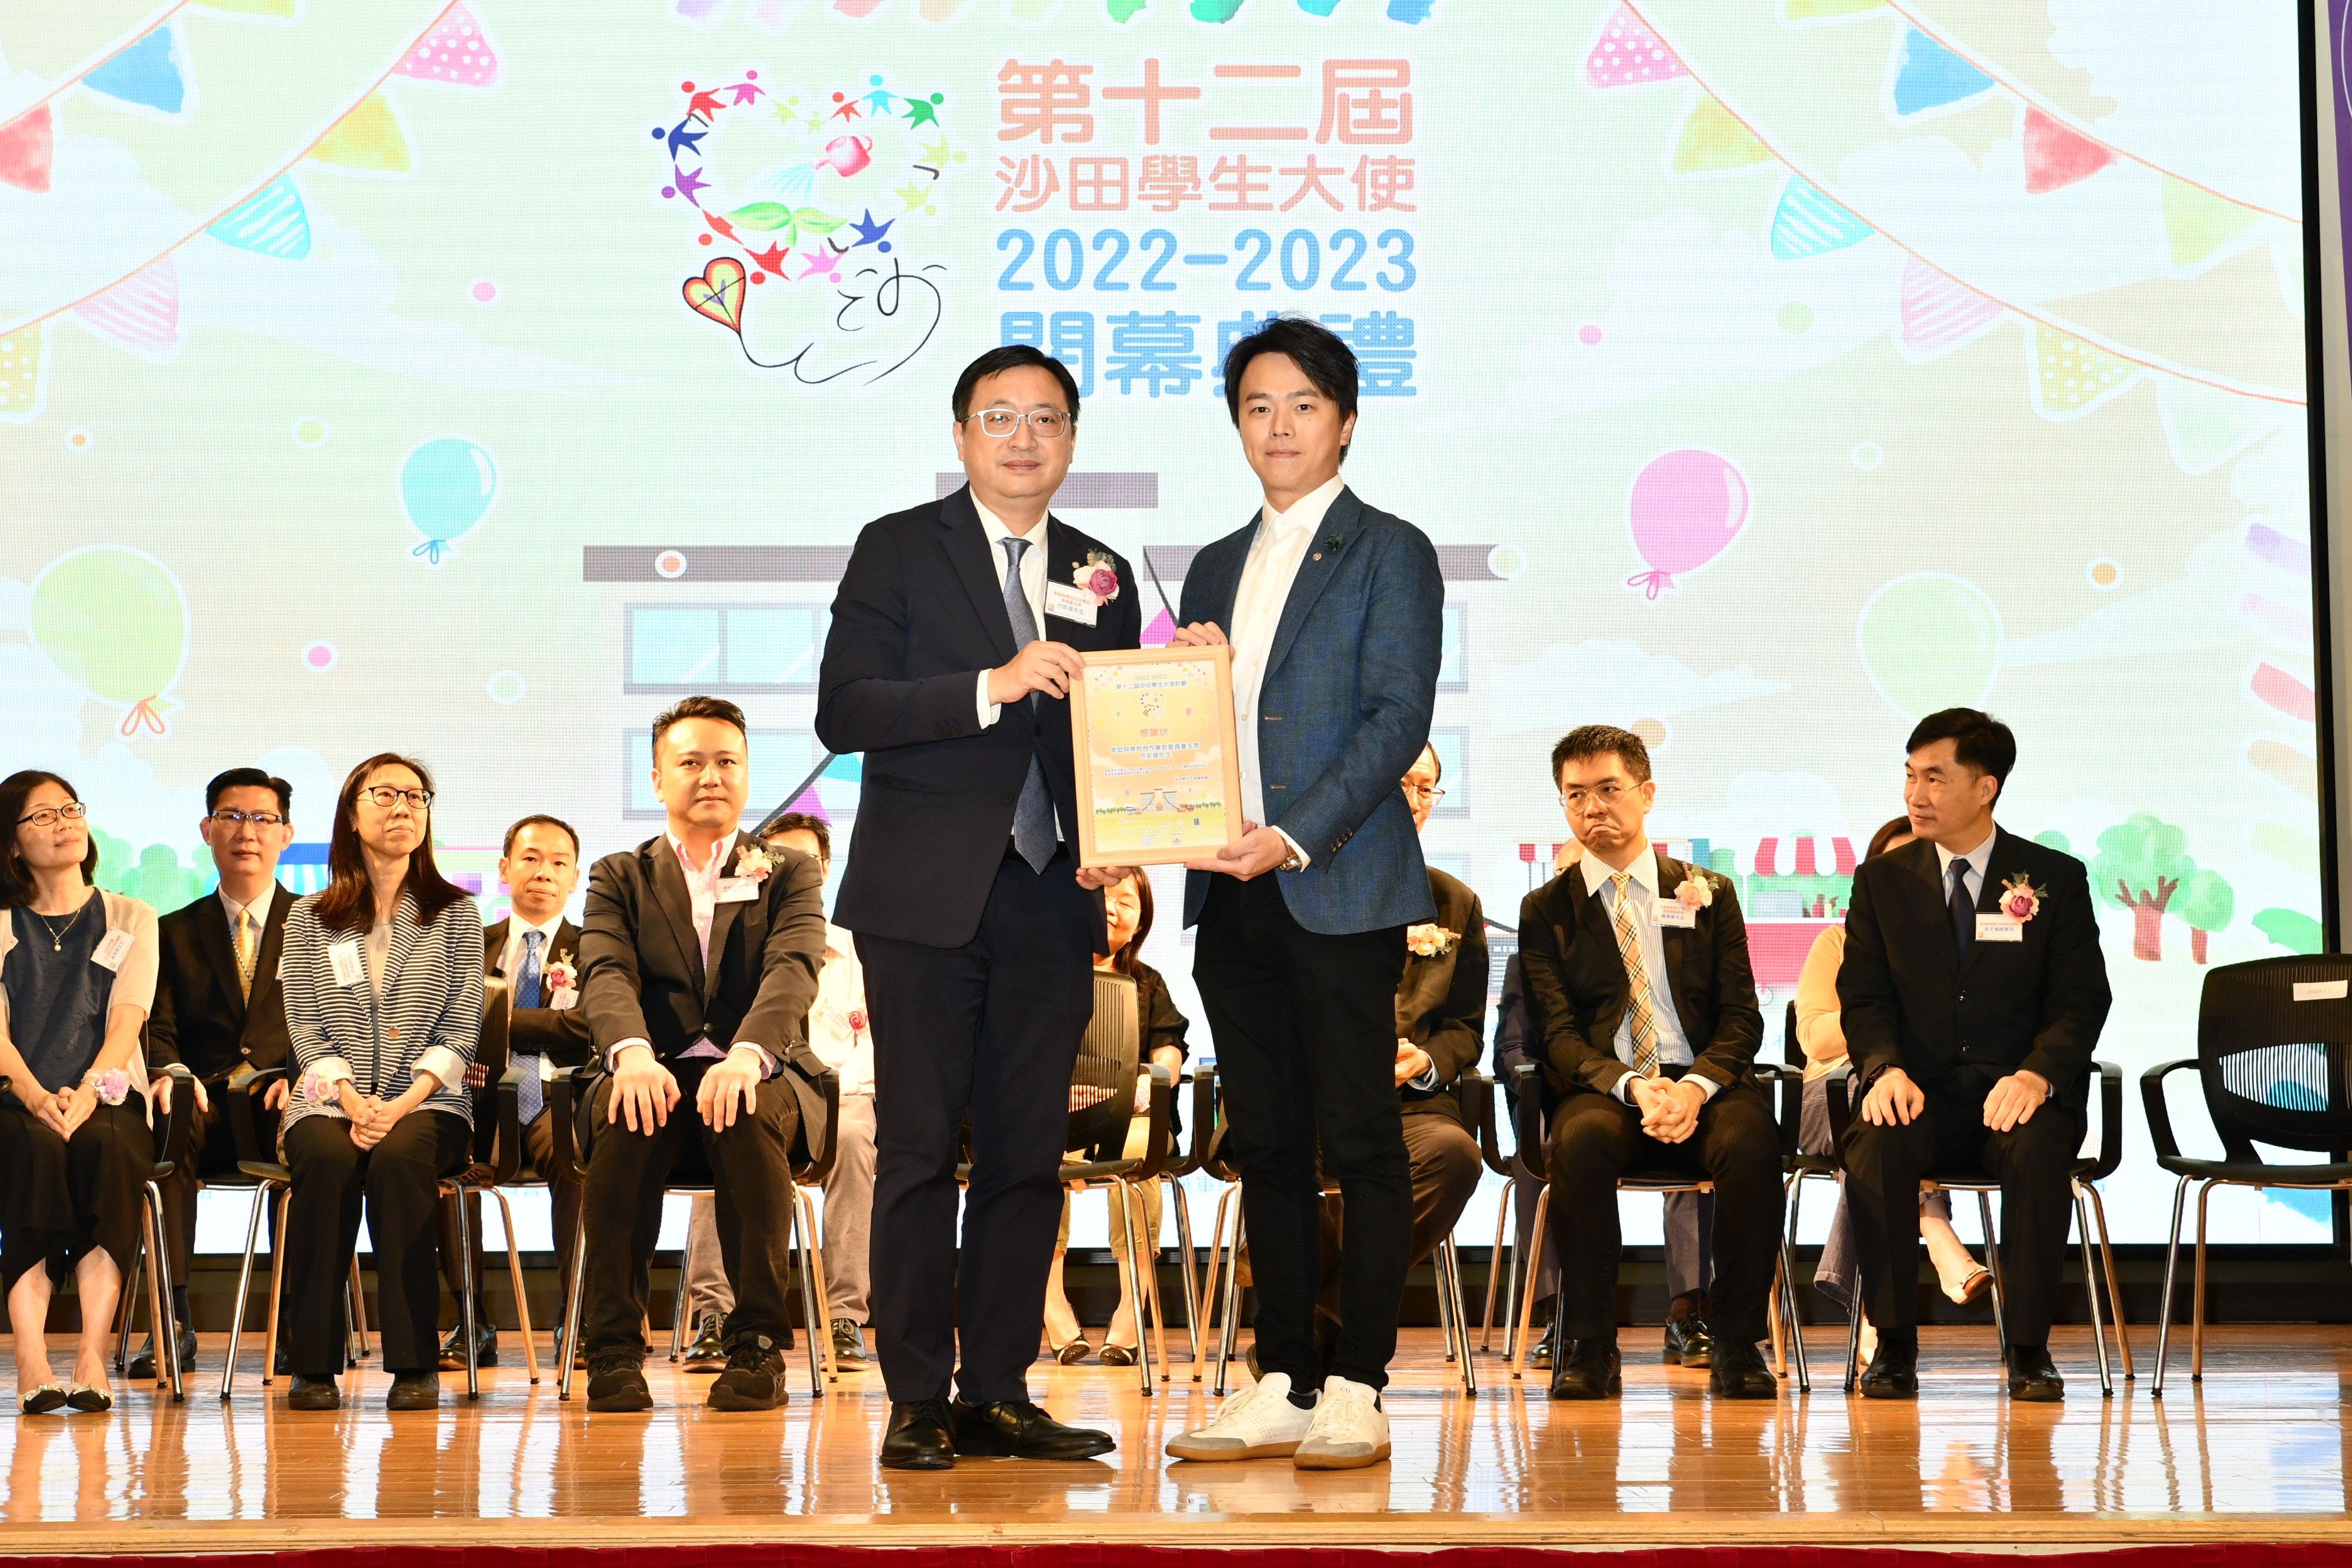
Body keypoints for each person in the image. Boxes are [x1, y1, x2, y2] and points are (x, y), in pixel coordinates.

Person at [817, 344, 1139, 1470]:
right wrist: (988, 688)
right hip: (923, 897)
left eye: (1046, 418)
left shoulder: (1101, 570)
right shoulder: (899, 547)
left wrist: (1120, 830)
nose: (1022, 437)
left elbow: (1116, 734)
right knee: (915, 1149)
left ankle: (998, 1390)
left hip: (1053, 896)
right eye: (999, 417)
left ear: (1072, 440)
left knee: (1025, 1156)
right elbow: (846, 709)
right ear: (960, 436)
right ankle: (915, 1396)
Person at [1164, 316, 1444, 1471]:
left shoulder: (1391, 550)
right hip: (1228, 891)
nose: (1279, 425)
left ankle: (1359, 1382)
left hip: (1335, 882)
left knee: (1362, 1140)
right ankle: (1283, 1375)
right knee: (1268, 1144)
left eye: (1303, 404)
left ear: (1346, 421)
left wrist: (1291, 834)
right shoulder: (1213, 564)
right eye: (1257, 406)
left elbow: (1396, 718)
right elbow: (1201, 726)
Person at [1838, 709, 2110, 1402]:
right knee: (1874, 1143)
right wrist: (1882, 1067)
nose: (1916, 794)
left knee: (2039, 1146)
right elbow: (1863, 997)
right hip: (1918, 1091)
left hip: (2012, 1093)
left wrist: (2039, 1073)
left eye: (1935, 778)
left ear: (1985, 787)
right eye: (1910, 776)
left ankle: (2029, 1350)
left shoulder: (2052, 877)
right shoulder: (1881, 881)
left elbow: (2082, 1000)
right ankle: (1892, 1345)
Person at [574, 696, 830, 1414]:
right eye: (691, 762)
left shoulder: (788, 871)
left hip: (760, 1075)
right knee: (628, 1110)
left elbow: (792, 969)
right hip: (653, 1069)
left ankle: (756, 1345)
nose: (711, 776)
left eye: (726, 762)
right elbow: (606, 971)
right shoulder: (619, 874)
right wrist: (630, 1054)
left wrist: (747, 1055)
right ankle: (614, 1349)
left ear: (746, 775)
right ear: (658, 778)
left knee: (741, 1107)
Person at [1517, 725, 1784, 1402]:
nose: (1593, 808)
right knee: (1578, 1141)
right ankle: (1588, 1346)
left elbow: (1741, 1018)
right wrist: (1635, 1087)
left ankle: (1736, 1343)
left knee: (1752, 1141)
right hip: (1607, 1089)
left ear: (1647, 793)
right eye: (1575, 795)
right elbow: (1558, 1035)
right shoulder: (1546, 909)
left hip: (1703, 1083)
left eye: (1609, 789)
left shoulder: (1708, 891)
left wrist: (1692, 1090)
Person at [276, 754, 484, 1413]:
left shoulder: (457, 914)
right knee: (326, 1158)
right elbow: (305, 1028)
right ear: (351, 812)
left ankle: (415, 1362)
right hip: (329, 1098)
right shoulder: (309, 917)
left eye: (416, 797)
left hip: (429, 1100)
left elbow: (462, 1029)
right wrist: (350, 1100)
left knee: (399, 1159)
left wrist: (397, 1106)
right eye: (386, 794)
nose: (403, 808)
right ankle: (312, 1364)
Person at [676, 812, 879, 1374]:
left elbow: (877, 1043)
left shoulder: (860, 951)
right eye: (778, 861)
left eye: (805, 862)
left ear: (825, 871)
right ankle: (715, 1314)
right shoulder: (734, 949)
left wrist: (842, 1092)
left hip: (839, 1095)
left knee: (854, 1140)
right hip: (756, 1088)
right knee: (721, 1117)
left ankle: (844, 1316)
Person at [1794, 814, 1988, 1367]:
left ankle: (1873, 1314)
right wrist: (1882, 1013)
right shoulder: (1837, 942)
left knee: (1879, 1143)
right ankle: (1935, 1227)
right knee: (1875, 1093)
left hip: (1911, 1112)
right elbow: (1814, 1037)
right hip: (1829, 1094)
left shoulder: (1967, 949)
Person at [0, 772, 161, 1415]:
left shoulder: (131, 916)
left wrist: (91, 1089)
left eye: (70, 810)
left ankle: (93, 1355)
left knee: (109, 1154)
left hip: (108, 1095)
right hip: (16, 1097)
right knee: (33, 1154)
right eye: (42, 816)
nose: (64, 823)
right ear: (12, 844)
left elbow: (128, 1017)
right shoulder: (2, 924)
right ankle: (32, 1359)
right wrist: (36, 1096)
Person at [141, 766, 297, 1380]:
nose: (246, 832)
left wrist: (306, 1074)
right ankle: (172, 1321)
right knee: (168, 1119)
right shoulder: (171, 931)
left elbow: (338, 1020)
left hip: (280, 1099)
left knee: (314, 1132)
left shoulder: (319, 927)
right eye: (231, 817)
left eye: (262, 819)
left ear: (286, 834)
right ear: (207, 829)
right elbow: (156, 1026)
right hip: (204, 1104)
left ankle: (299, 1323)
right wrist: (171, 1073)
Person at [433, 813, 594, 1372]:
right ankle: (470, 1320)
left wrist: (499, 1017)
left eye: (558, 862)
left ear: (575, 877)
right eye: (530, 859)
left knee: (578, 1159)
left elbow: (588, 1029)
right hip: (478, 1099)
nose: (543, 872)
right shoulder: (469, 945)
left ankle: (579, 1318)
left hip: (555, 1099)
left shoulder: (595, 950)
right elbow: (446, 1022)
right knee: (445, 1162)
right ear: (505, 869)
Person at [1043, 868, 1188, 1366]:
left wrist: (1148, 1084)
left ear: (1140, 922)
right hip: (1053, 1113)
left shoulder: (1147, 984)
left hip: (1130, 1116)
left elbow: (1169, 1048)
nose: (1113, 908)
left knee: (1141, 1160)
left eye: (1127, 902)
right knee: (1034, 1154)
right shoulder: (1041, 973)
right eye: (1104, 897)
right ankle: (1052, 1304)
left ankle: (1131, 1308)